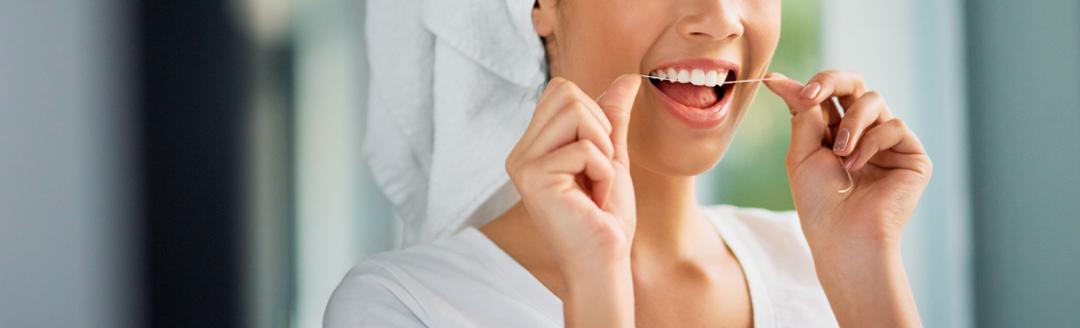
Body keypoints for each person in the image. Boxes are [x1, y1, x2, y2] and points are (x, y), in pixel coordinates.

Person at [325, 0, 931, 327]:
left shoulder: (825, 271)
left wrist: (865, 267)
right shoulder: (404, 306)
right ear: (538, 5)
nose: (720, 16)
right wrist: (596, 286)